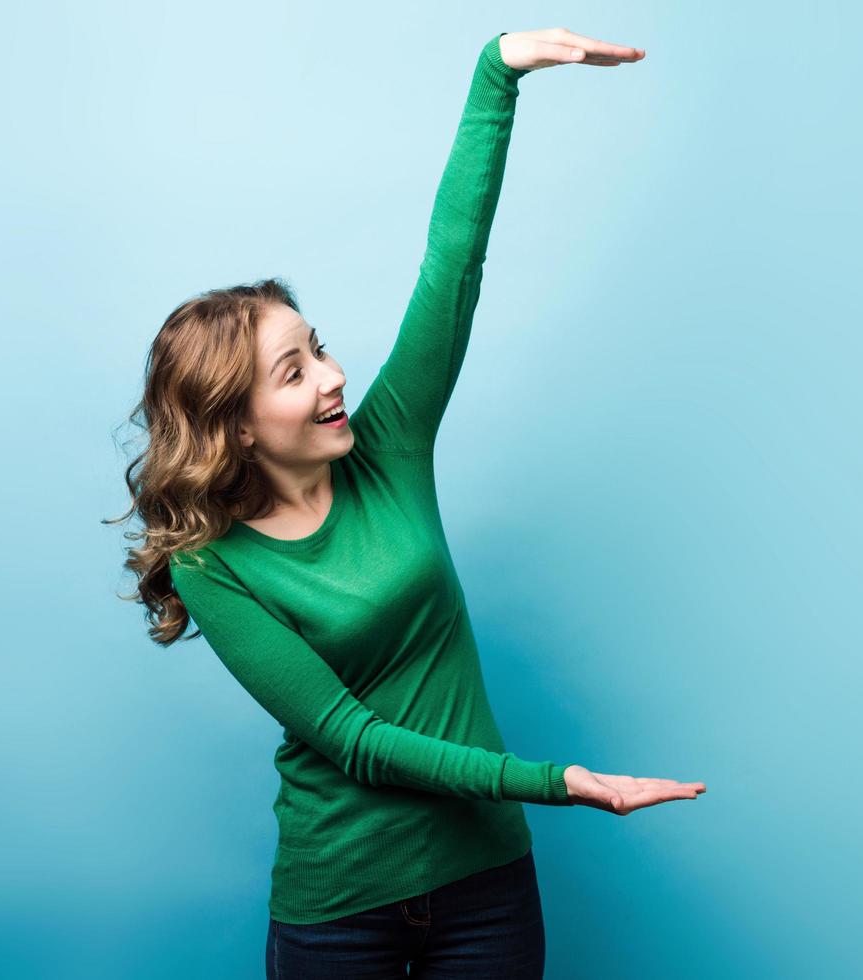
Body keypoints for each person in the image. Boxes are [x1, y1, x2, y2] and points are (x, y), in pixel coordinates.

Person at [107, 27, 704, 979]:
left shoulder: (387, 449)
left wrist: (498, 72)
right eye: (294, 371)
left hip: (487, 889)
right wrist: (557, 783)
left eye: (321, 346)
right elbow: (359, 742)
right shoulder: (212, 564)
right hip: (340, 908)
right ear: (240, 424)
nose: (335, 377)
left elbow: (450, 269)